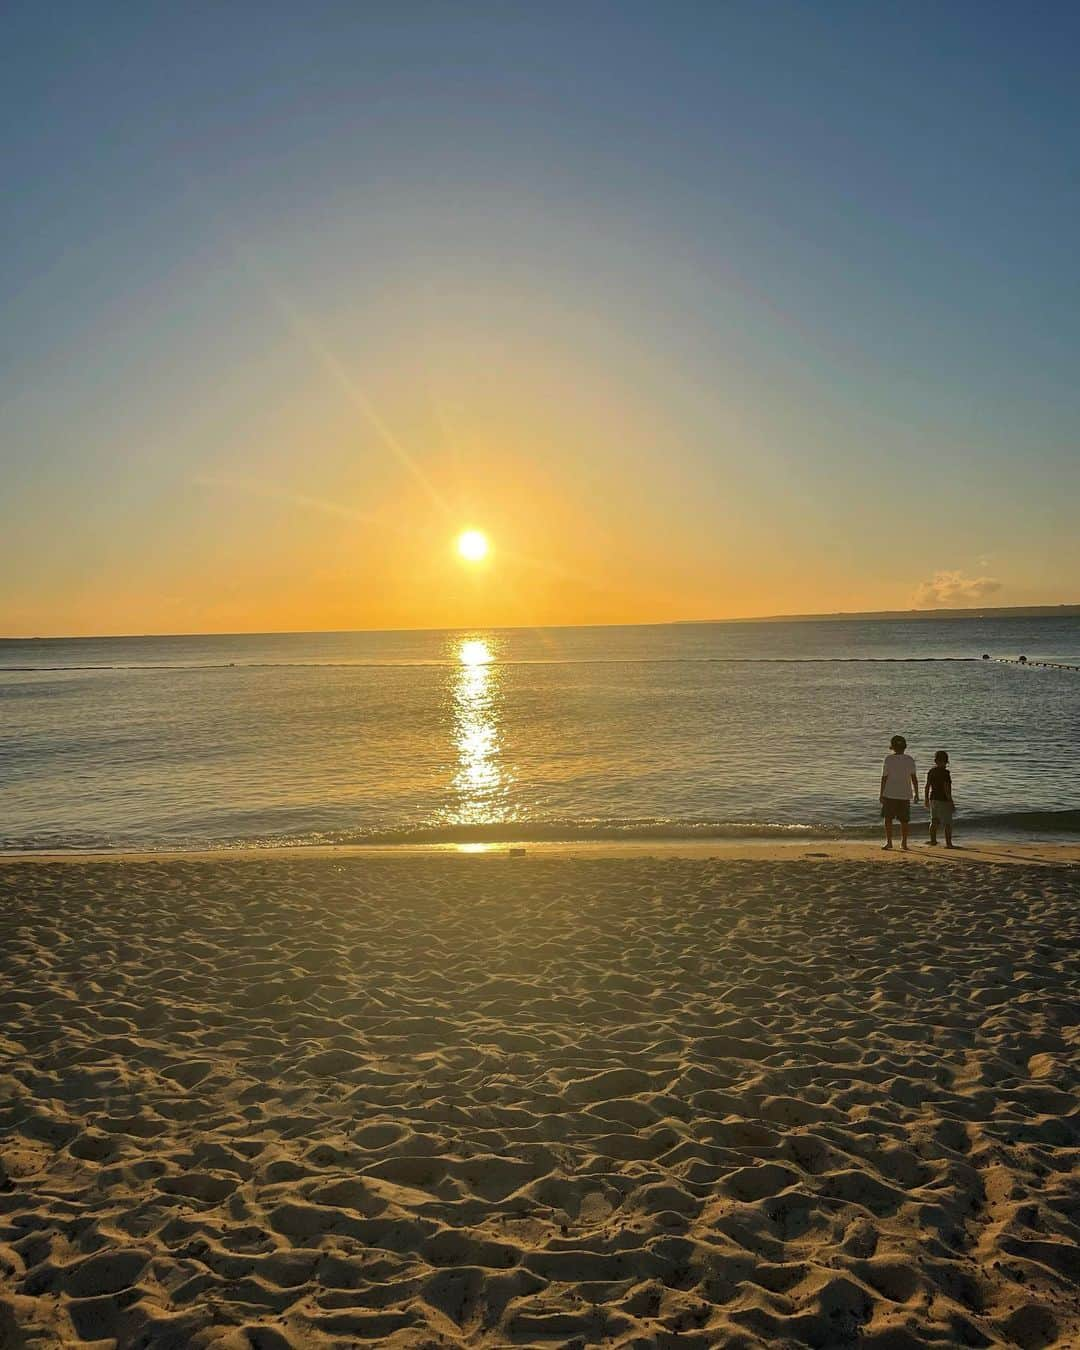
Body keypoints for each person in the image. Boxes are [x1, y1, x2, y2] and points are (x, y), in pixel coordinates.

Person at [880, 734, 918, 851]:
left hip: (890, 793)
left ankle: (889, 842)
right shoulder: (910, 759)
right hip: (904, 794)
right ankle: (904, 843)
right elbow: (914, 778)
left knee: (888, 819)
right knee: (904, 820)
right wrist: (916, 793)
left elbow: (884, 778)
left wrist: (881, 794)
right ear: (905, 747)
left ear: (892, 747)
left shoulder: (888, 759)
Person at [924, 750, 957, 848]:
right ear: (946, 761)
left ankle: (933, 841)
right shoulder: (945, 773)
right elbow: (946, 789)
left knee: (934, 820)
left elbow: (927, 786)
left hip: (933, 798)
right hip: (943, 800)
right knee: (948, 823)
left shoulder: (931, 771)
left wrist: (926, 799)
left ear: (935, 761)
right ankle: (949, 843)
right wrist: (951, 801)